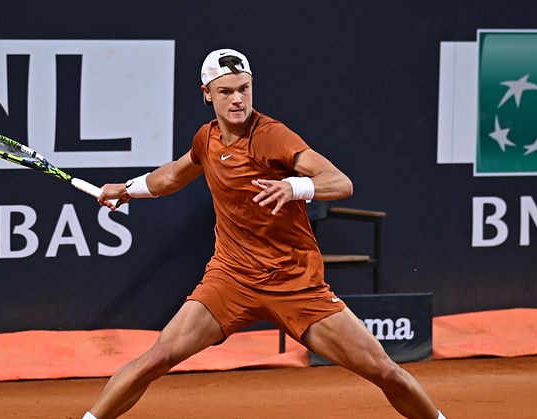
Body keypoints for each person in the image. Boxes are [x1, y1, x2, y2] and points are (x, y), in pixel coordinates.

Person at [86, 48, 446, 419]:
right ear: (206, 93)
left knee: (386, 372)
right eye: (226, 91)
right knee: (156, 358)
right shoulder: (206, 139)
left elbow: (341, 183)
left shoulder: (272, 135)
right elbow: (173, 176)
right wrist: (126, 188)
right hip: (231, 279)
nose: (238, 99)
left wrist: (295, 187)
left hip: (294, 283)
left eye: (244, 88)